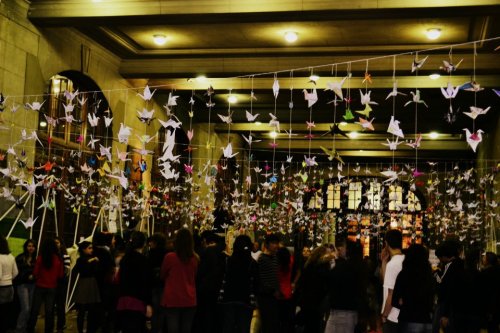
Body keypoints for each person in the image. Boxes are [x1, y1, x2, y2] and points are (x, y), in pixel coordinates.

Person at [160, 228, 199, 333]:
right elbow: (194, 276)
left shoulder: (169, 257)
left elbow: (162, 275)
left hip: (172, 298)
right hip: (189, 298)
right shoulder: (195, 259)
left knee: (172, 328)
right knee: (186, 328)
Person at [325, 240, 367, 333]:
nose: (339, 249)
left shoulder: (346, 267)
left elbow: (330, 280)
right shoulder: (359, 266)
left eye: (343, 247)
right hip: (350, 311)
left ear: (348, 250)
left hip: (342, 311)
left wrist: (335, 261)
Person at [218, 234, 258, 333]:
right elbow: (256, 283)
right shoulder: (252, 263)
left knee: (228, 327)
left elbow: (222, 278)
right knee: (243, 328)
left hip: (228, 298)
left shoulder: (227, 261)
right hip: (246, 299)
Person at [392, 244, 435, 333]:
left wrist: (403, 302)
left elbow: (395, 300)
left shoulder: (404, 274)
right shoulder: (429, 275)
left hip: (408, 318)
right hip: (426, 320)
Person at [116, 231, 153, 333]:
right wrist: (149, 303)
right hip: (137, 301)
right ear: (144, 243)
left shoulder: (125, 259)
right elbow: (146, 283)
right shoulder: (144, 261)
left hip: (123, 300)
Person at [27, 237, 64, 333]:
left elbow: (35, 272)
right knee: (49, 311)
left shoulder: (40, 257)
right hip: (52, 287)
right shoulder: (58, 259)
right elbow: (60, 274)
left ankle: (30, 328)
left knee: (35, 310)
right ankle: (48, 330)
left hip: (40, 286)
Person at [294, 245, 332, 333]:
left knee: (309, 325)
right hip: (317, 301)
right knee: (315, 325)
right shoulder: (323, 266)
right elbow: (324, 285)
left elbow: (303, 282)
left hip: (307, 300)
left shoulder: (308, 264)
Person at [193, 231, 226, 333]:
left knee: (204, 314)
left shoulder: (205, 253)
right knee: (213, 313)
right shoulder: (222, 254)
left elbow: (201, 272)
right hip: (216, 288)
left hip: (203, 289)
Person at [433, 240, 465, 333]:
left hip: (447, 304)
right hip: (455, 306)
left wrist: (436, 274)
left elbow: (446, 286)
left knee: (437, 326)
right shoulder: (460, 264)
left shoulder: (451, 267)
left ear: (444, 256)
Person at [73, 241, 101, 333]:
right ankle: (80, 330)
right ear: (83, 249)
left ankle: (90, 329)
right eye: (89, 248)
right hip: (84, 284)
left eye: (91, 248)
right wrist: (91, 261)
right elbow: (81, 270)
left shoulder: (93, 259)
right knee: (82, 310)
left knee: (92, 310)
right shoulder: (81, 260)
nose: (91, 250)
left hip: (92, 283)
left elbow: (95, 271)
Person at [380, 229, 404, 333]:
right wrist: (384, 262)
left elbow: (390, 293)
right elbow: (386, 281)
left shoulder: (392, 264)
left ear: (386, 243)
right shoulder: (405, 260)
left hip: (392, 315)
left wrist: (384, 315)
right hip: (403, 314)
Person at [256, 233, 281, 333]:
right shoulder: (261, 259)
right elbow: (260, 279)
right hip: (265, 296)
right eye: (273, 243)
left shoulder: (276, 258)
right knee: (267, 323)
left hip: (276, 296)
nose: (276, 246)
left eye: (277, 243)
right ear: (267, 244)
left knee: (275, 323)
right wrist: (271, 290)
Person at [92, 232, 116, 333]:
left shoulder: (93, 250)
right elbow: (111, 266)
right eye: (113, 239)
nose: (114, 241)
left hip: (95, 282)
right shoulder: (105, 251)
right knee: (103, 306)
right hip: (104, 283)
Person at [147, 232, 168, 333]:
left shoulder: (151, 253)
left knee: (155, 310)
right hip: (164, 284)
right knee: (163, 309)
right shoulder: (167, 253)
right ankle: (160, 329)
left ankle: (155, 329)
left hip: (154, 284)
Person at [14, 239, 37, 333]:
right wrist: (28, 275)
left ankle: (24, 328)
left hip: (33, 285)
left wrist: (34, 276)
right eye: (29, 246)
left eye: (32, 246)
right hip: (22, 284)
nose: (31, 248)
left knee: (30, 309)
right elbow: (16, 273)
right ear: (26, 247)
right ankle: (19, 329)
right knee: (26, 308)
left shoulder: (37, 259)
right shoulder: (20, 257)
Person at [0, 233, 19, 333]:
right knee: (6, 311)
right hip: (10, 287)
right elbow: (16, 272)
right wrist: (9, 279)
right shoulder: (11, 257)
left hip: (1, 288)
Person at [277, 246, 295, 332]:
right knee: (287, 319)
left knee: (278, 320)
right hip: (288, 293)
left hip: (278, 294)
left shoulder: (276, 265)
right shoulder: (290, 262)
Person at [54, 236, 70, 333]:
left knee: (60, 305)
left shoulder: (65, 256)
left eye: (57, 243)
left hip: (61, 284)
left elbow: (66, 271)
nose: (56, 244)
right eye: (54, 243)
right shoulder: (51, 255)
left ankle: (60, 325)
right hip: (53, 282)